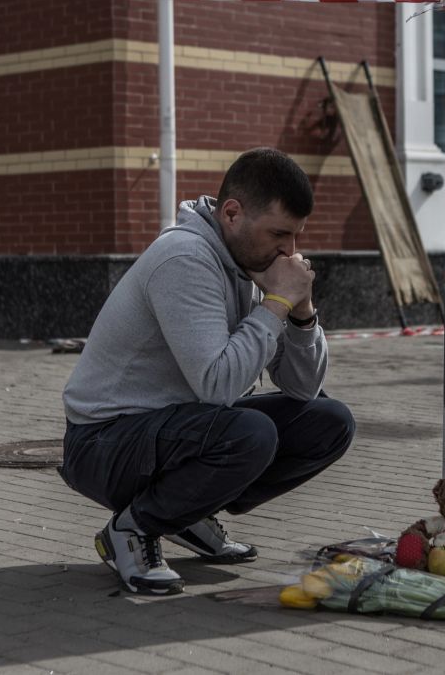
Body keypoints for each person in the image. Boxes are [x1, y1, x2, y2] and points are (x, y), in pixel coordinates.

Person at [60, 147, 355, 595]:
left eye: (295, 237)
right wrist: (275, 303)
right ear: (232, 214)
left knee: (329, 422)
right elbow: (217, 386)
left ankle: (187, 511)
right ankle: (132, 529)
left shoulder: (245, 264)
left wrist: (300, 310)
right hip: (103, 441)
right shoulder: (184, 258)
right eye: (279, 233)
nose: (288, 251)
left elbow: (303, 387)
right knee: (250, 433)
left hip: (173, 428)